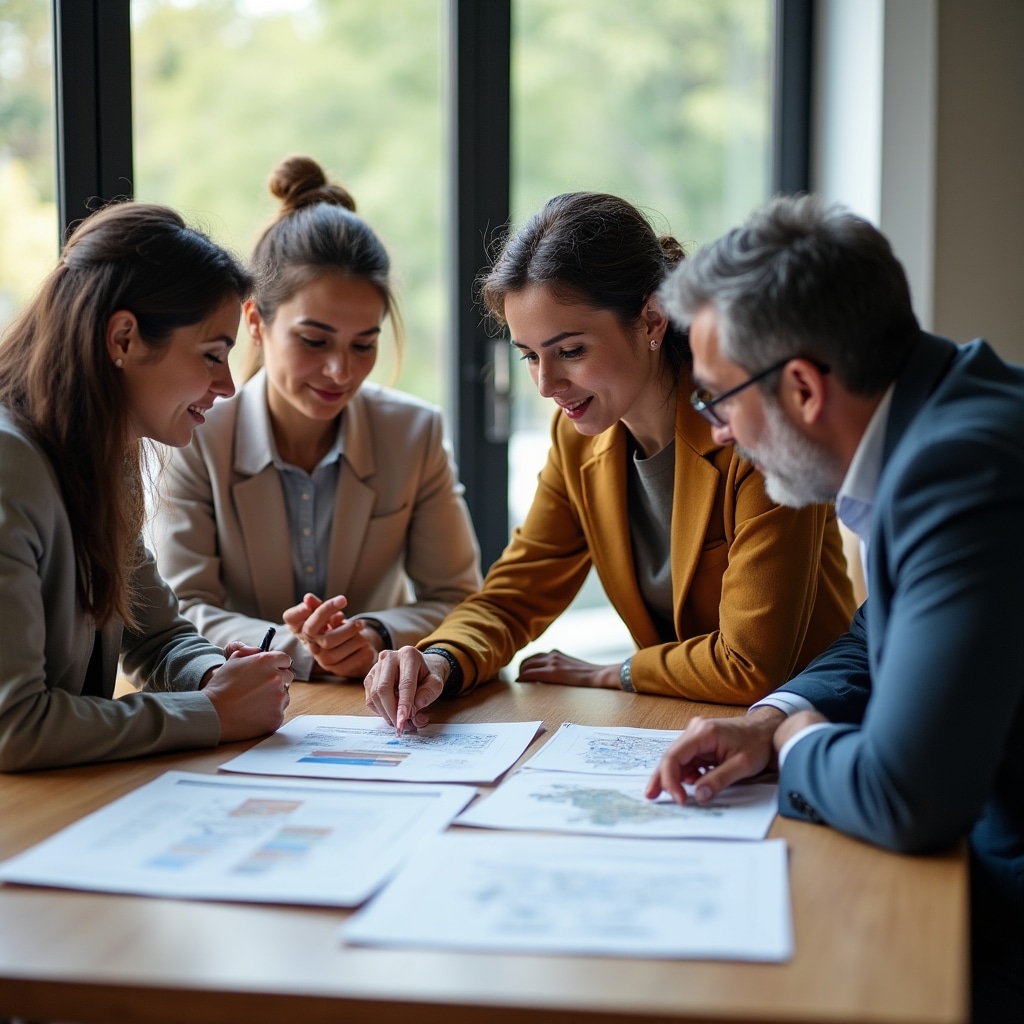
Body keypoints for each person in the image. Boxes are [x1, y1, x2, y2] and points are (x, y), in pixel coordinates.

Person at [645, 193, 1024, 1021]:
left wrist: (796, 740)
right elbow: (883, 630)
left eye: (716, 399)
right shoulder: (947, 408)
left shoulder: (958, 472)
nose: (715, 433)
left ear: (805, 388)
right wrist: (772, 712)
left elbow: (905, 799)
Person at [364, 191, 856, 733]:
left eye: (570, 351)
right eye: (530, 356)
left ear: (651, 319)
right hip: (684, 725)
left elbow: (751, 666)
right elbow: (517, 593)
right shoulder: (578, 436)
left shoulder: (751, 428)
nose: (547, 385)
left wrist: (615, 673)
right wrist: (441, 660)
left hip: (807, 731)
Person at [152, 156, 481, 682]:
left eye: (364, 344)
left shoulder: (414, 433)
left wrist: (372, 634)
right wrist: (297, 647)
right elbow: (178, 610)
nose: (340, 371)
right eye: (314, 340)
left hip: (377, 708)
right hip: (244, 705)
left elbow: (460, 600)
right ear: (256, 320)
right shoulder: (195, 434)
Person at [0, 202, 293, 772]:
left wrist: (214, 675)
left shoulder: (104, 457)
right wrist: (211, 713)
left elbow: (155, 635)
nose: (228, 385)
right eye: (212, 354)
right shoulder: (9, 466)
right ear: (124, 338)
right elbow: (13, 724)